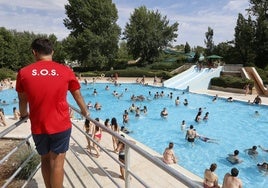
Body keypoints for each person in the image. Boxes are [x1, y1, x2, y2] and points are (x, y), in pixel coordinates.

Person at [16, 38, 89, 188]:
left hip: (38, 125)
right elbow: (77, 95)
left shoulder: (24, 72)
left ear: (34, 52)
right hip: (60, 124)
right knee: (57, 163)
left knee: (45, 159)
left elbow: (23, 101)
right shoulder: (65, 70)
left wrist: (24, 115)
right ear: (52, 52)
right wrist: (85, 111)